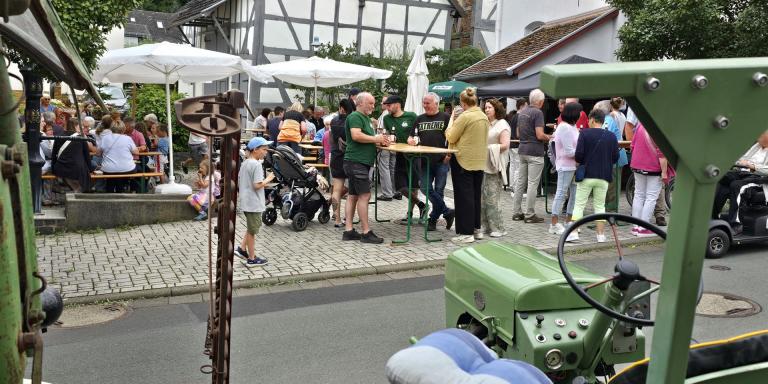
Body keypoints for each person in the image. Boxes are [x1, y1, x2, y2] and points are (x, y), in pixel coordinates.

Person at [342, 92, 389, 243]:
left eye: (374, 104)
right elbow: (356, 135)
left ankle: (349, 231)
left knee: (353, 195)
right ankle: (366, 232)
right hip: (356, 161)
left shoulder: (366, 119)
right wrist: (376, 138)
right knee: (365, 195)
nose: (373, 107)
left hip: (357, 161)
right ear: (360, 103)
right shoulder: (355, 116)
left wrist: (379, 142)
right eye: (371, 103)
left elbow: (366, 139)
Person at [445, 88, 489, 243]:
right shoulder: (483, 116)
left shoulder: (465, 117)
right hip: (479, 160)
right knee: (475, 196)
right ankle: (477, 229)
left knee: (464, 197)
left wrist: (451, 121)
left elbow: (451, 135)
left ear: (463, 103)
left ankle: (465, 233)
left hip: (463, 160)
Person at [570, 109, 619, 242]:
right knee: (600, 206)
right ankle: (600, 235)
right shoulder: (611, 136)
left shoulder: (584, 133)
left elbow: (579, 156)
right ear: (603, 121)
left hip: (586, 175)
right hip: (604, 176)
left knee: (579, 204)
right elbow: (616, 157)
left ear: (591, 119)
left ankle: (574, 232)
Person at [410, 93, 454, 231]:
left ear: (436, 103)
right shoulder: (419, 119)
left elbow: (453, 138)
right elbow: (411, 136)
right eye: (424, 103)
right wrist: (410, 140)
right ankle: (447, 212)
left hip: (442, 160)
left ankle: (433, 220)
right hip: (424, 161)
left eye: (428, 103)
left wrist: (449, 154)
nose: (425, 105)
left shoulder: (446, 118)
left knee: (439, 191)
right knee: (425, 188)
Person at [712, 130, 768, 231]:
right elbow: (742, 159)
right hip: (743, 173)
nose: (758, 136)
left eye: (761, 134)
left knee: (735, 185)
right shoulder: (757, 146)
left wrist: (752, 166)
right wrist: (739, 162)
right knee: (722, 178)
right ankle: (712, 216)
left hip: (759, 179)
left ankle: (736, 224)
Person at [383, 95, 424, 223]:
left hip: (414, 155)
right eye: (386, 105)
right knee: (400, 186)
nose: (387, 108)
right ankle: (421, 205)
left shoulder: (411, 116)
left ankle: (410, 214)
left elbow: (419, 133)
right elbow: (388, 135)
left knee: (413, 186)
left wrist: (414, 140)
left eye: (389, 105)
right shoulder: (387, 118)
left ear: (397, 104)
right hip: (400, 154)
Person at [234, 137, 275, 266]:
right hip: (254, 203)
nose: (266, 152)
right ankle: (252, 259)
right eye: (264, 149)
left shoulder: (246, 163)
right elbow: (257, 185)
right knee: (253, 231)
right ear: (255, 150)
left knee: (251, 227)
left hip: (246, 201)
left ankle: (241, 249)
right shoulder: (256, 164)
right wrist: (268, 179)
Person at [512, 89, 550, 223]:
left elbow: (517, 133)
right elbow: (540, 135)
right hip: (534, 151)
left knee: (520, 183)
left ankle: (517, 212)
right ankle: (529, 214)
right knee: (533, 184)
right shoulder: (538, 113)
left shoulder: (522, 112)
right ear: (540, 101)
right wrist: (550, 137)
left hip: (522, 150)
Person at [629, 122, 668, 237]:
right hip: (653, 167)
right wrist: (664, 173)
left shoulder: (640, 124)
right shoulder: (659, 127)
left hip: (637, 165)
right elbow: (662, 153)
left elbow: (632, 145)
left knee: (638, 195)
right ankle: (644, 228)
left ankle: (635, 226)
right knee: (651, 197)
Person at [549, 102, 582, 236]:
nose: (580, 115)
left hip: (573, 165)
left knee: (573, 194)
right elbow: (569, 151)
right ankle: (554, 223)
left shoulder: (572, 127)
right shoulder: (565, 128)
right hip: (565, 165)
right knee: (561, 192)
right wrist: (582, 154)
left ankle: (569, 221)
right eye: (579, 112)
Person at [480, 99, 510, 237]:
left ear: (496, 109)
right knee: (482, 198)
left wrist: (489, 149)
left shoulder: (502, 125)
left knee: (492, 198)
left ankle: (498, 228)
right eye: (485, 107)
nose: (486, 110)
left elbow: (505, 145)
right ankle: (485, 226)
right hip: (482, 163)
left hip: (494, 164)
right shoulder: (486, 124)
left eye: (489, 107)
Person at [594, 100, 629, 213]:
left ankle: (611, 211)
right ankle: (608, 209)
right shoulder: (607, 119)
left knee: (612, 186)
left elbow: (602, 137)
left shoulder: (607, 120)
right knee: (609, 185)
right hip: (611, 157)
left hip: (614, 158)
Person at [330, 99, 354, 228]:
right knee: (352, 190)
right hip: (350, 157)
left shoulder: (333, 121)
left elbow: (331, 140)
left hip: (336, 157)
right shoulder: (352, 121)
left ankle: (337, 219)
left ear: (341, 108)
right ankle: (348, 219)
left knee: (336, 190)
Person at [98, 120, 140, 193]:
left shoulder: (105, 138)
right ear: (123, 129)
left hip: (108, 169)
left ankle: (110, 193)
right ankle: (122, 190)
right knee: (138, 168)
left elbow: (98, 153)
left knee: (112, 176)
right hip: (127, 169)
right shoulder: (128, 138)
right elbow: (136, 152)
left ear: (111, 128)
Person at [51, 117, 91, 193]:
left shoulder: (59, 136)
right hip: (77, 170)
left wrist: (54, 169)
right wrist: (90, 169)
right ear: (76, 126)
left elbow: (54, 155)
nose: (82, 127)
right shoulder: (81, 138)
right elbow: (87, 156)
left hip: (61, 168)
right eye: (81, 125)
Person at [377, 96, 397, 201]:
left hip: (385, 145)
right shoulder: (393, 115)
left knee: (384, 168)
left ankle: (387, 193)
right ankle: (394, 191)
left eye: (383, 103)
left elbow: (381, 131)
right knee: (392, 168)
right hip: (393, 144)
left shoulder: (385, 115)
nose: (381, 104)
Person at [507, 98, 527, 194]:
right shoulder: (520, 117)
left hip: (511, 143)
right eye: (526, 106)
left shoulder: (513, 116)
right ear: (522, 106)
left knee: (512, 166)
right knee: (518, 167)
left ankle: (511, 185)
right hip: (517, 143)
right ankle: (515, 188)